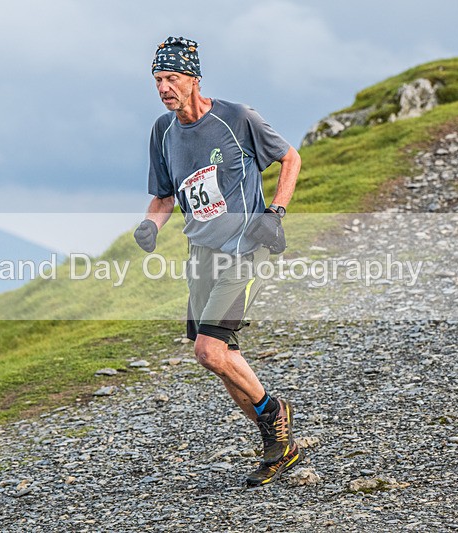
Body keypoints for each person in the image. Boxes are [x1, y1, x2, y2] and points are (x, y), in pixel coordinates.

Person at [133, 36, 302, 487]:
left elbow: (290, 158)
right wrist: (152, 225)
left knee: (208, 349)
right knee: (220, 357)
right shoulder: (162, 132)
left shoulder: (237, 118)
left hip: (246, 249)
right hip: (201, 255)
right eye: (157, 80)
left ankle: (274, 415)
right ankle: (277, 444)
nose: (164, 88)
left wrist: (276, 214)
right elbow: (165, 195)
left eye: (171, 78)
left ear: (193, 78)